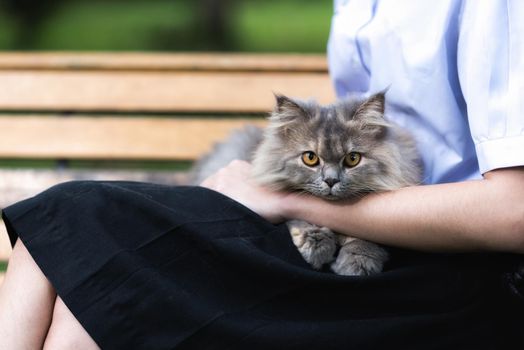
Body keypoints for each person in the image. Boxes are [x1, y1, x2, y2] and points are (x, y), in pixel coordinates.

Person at [1, 1, 524, 349]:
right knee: (80, 247)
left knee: (80, 217)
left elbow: (514, 211)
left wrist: (293, 203)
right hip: (350, 228)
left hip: (457, 278)